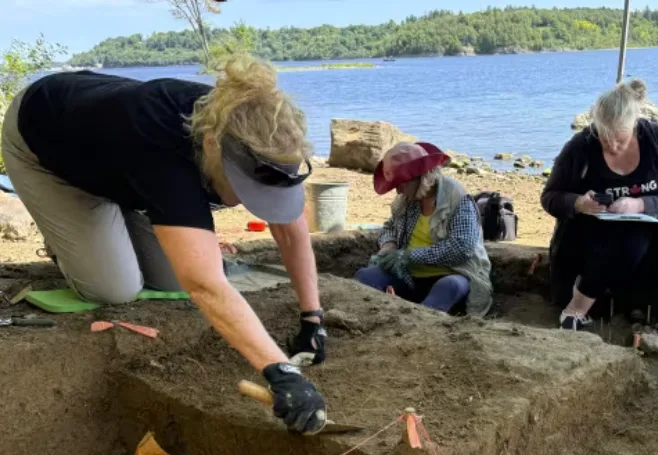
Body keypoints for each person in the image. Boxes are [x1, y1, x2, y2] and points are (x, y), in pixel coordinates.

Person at [0, 55, 328, 434]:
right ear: (211, 146)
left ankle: (117, 213)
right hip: (44, 141)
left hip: (116, 154)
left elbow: (289, 227)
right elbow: (205, 284)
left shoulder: (261, 133)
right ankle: (69, 238)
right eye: (243, 190)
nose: (247, 203)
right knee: (115, 287)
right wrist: (281, 371)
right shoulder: (162, 148)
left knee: (174, 280)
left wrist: (312, 318)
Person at [541, 80, 658, 330]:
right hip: (590, 232)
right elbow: (549, 197)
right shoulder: (580, 146)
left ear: (634, 126)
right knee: (631, 241)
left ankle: (629, 303)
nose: (612, 146)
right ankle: (577, 308)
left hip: (645, 222)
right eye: (605, 139)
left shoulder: (656, 139)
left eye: (620, 141)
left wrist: (639, 204)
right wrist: (579, 203)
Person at [355, 142, 493, 316]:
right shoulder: (406, 201)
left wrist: (409, 256)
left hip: (452, 273)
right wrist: (388, 246)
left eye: (401, 183)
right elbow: (390, 226)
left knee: (449, 286)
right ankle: (407, 309)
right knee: (365, 276)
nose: (398, 191)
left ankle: (421, 317)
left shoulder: (456, 197)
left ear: (421, 177)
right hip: (409, 275)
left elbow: (462, 247)